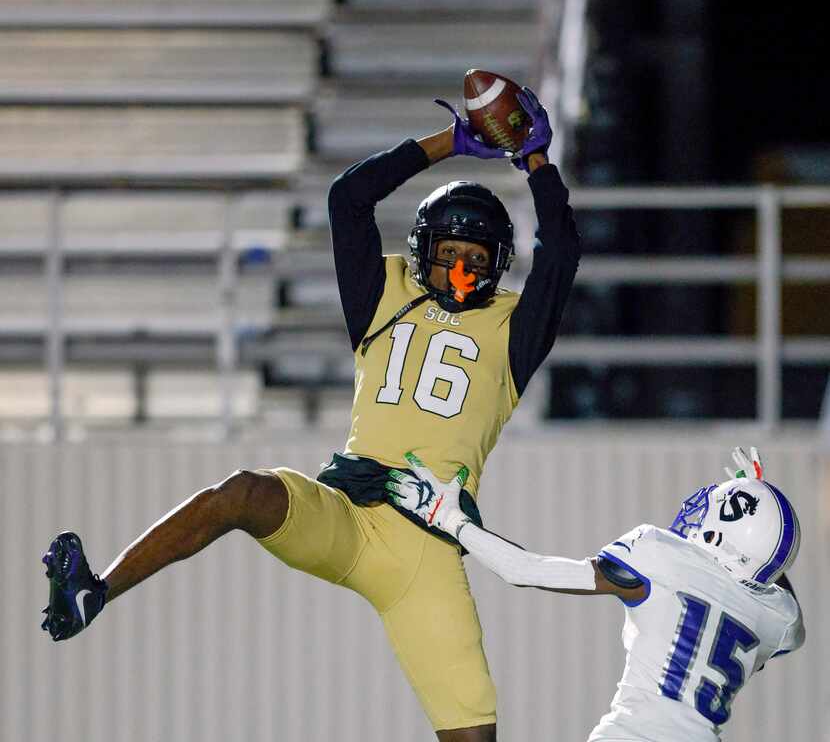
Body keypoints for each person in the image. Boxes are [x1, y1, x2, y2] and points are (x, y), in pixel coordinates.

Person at [40, 88, 581, 741]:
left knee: (473, 735)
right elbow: (347, 199)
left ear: (498, 266)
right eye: (448, 254)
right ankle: (95, 589)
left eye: (476, 259)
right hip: (347, 512)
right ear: (422, 251)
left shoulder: (515, 328)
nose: (462, 270)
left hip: (428, 548)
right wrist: (448, 143)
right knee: (241, 492)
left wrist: (538, 162)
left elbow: (561, 251)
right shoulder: (385, 291)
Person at [386, 446, 804, 742]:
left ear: (723, 536)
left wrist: (450, 519)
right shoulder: (778, 620)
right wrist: (763, 532)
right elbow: (772, 595)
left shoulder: (659, 555)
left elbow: (523, 570)